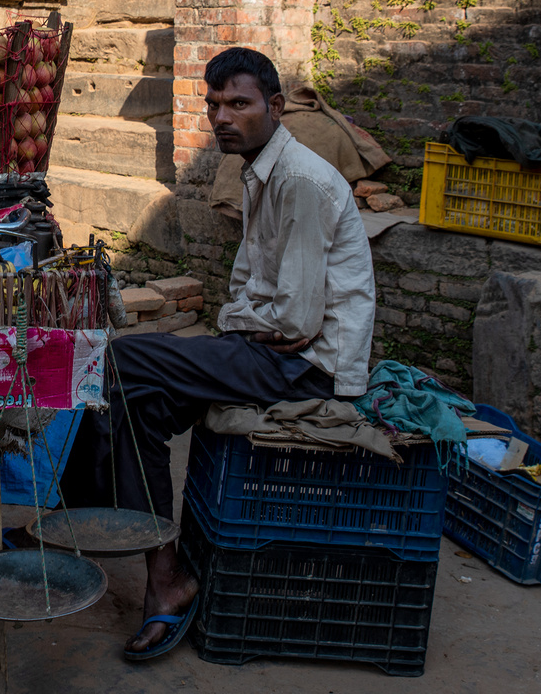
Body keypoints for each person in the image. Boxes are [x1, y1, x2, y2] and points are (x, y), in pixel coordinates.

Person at [61, 46, 375, 663]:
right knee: (141, 403)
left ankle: (72, 519)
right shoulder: (259, 171)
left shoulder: (302, 181)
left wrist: (246, 323)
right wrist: (246, 321)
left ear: (275, 107)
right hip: (266, 350)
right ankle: (165, 576)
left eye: (239, 103)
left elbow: (297, 321)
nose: (222, 117)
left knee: (122, 360)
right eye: (214, 105)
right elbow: (248, 292)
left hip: (308, 369)